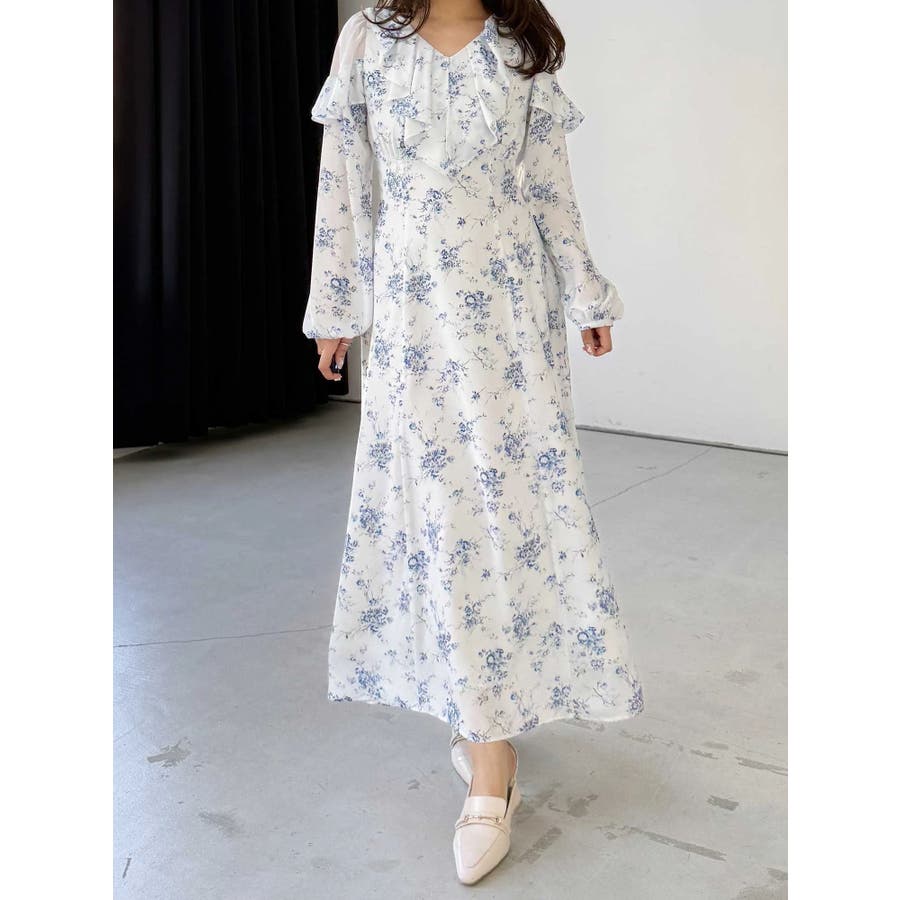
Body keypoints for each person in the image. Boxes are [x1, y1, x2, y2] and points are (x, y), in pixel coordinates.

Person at [302, 0, 644, 884]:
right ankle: (479, 717)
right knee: (437, 516)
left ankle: (492, 753)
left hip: (509, 309)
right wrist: (336, 307)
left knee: (509, 513)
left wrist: (585, 292)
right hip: (414, 311)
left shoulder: (522, 47)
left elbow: (550, 188)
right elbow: (346, 185)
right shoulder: (367, 41)